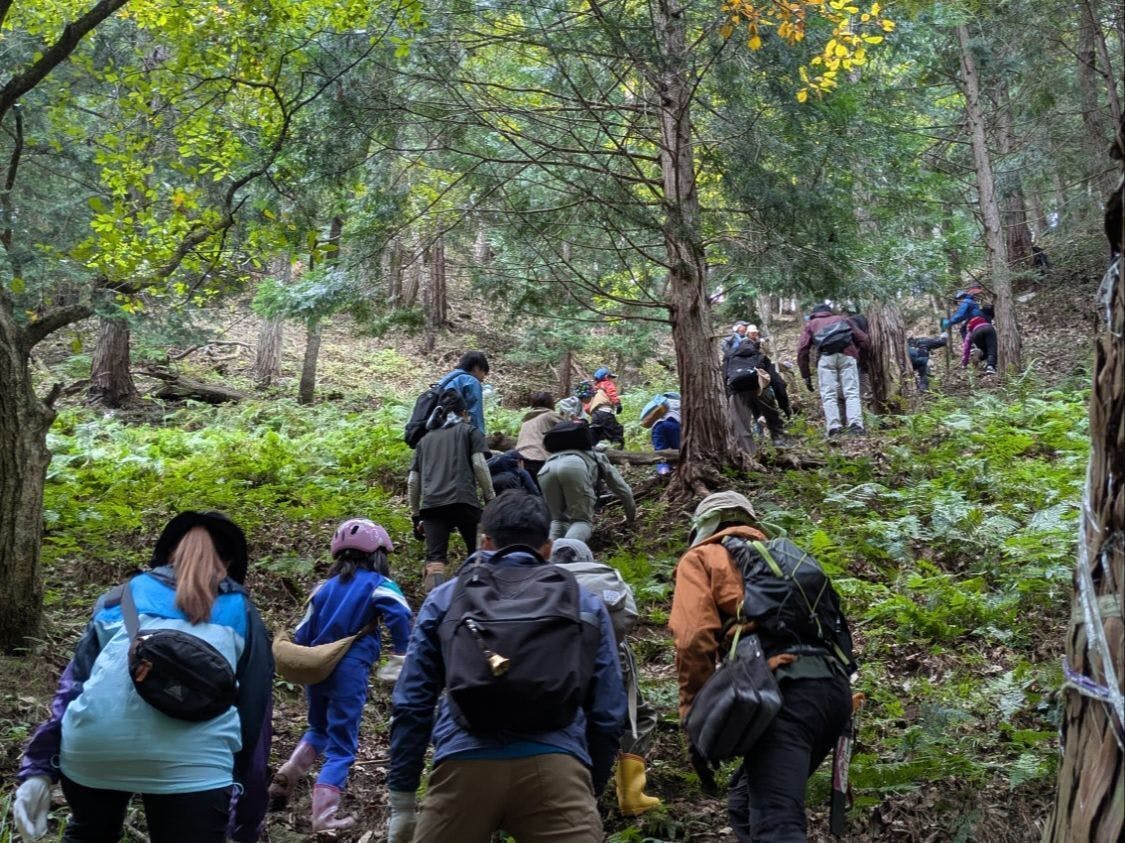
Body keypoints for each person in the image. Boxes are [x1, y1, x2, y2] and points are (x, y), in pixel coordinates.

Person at [14, 511, 273, 843]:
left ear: (166, 555)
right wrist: (247, 819)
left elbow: (73, 687)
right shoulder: (242, 612)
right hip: (194, 759)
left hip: (92, 748)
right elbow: (254, 713)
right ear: (230, 562)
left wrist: (38, 768)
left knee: (88, 833)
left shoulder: (117, 598)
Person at [385, 492, 627, 843]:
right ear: (547, 547)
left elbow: (411, 702)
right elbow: (608, 710)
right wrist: (590, 779)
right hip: (557, 764)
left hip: (464, 763)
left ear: (484, 543)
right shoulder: (582, 601)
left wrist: (403, 799)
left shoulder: (446, 598)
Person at [669, 492, 855, 843]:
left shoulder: (703, 557)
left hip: (782, 694)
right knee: (744, 805)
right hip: (833, 692)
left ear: (703, 525)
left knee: (776, 825)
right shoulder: (788, 559)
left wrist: (695, 711)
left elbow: (692, 639)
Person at [268, 518, 413, 832]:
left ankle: (287, 777)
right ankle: (324, 818)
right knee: (342, 745)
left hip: (317, 664)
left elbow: (302, 631)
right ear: (378, 555)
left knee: (318, 727)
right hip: (350, 666)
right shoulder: (377, 583)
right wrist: (402, 651)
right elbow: (400, 612)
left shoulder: (323, 587)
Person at [549, 538, 661, 816]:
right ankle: (631, 794)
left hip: (556, 665)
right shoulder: (603, 577)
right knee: (637, 717)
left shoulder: (543, 582)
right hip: (613, 658)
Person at [408, 389, 496, 592]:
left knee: (435, 559)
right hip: (464, 501)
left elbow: (413, 480)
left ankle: (436, 604)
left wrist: (415, 515)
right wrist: (490, 497)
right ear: (464, 412)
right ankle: (477, 599)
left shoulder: (425, 440)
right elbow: (480, 465)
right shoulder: (469, 431)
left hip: (432, 506)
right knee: (478, 553)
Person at [538, 420, 636, 541]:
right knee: (581, 520)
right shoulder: (597, 456)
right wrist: (631, 519)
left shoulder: (555, 456)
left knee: (558, 520)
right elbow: (624, 491)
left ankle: (551, 557)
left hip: (546, 468)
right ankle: (569, 552)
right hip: (574, 467)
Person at [796, 303, 870, 436]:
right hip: (847, 355)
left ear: (814, 313)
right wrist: (859, 357)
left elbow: (802, 350)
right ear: (829, 312)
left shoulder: (811, 324)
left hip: (826, 358)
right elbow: (864, 339)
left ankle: (834, 428)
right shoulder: (843, 319)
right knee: (851, 392)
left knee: (828, 395)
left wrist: (805, 375)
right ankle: (856, 426)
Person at [724, 337, 788, 451]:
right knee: (772, 416)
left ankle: (748, 453)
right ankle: (779, 441)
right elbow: (777, 382)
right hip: (760, 389)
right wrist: (785, 406)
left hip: (738, 393)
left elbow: (725, 379)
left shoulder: (730, 358)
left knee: (741, 426)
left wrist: (727, 398)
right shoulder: (760, 357)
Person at [438, 351, 491, 435]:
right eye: (484, 372)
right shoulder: (472, 381)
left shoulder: (447, 378)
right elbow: (475, 413)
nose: (483, 378)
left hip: (435, 431)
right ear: (476, 368)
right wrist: (479, 437)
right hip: (454, 434)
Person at [514, 391, 560, 481]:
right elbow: (568, 429)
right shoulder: (550, 415)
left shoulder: (526, 420)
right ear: (551, 403)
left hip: (521, 460)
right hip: (540, 458)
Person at [640, 391, 681, 475]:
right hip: (674, 423)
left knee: (660, 450)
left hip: (657, 426)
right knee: (678, 448)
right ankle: (678, 468)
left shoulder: (659, 402)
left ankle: (663, 470)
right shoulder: (681, 403)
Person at [586, 368, 625, 449]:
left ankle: (595, 454)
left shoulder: (595, 389)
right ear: (606, 377)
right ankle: (617, 454)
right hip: (605, 414)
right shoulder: (607, 383)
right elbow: (612, 393)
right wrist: (618, 404)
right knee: (617, 432)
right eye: (611, 377)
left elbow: (587, 406)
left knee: (597, 436)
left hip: (595, 416)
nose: (612, 379)